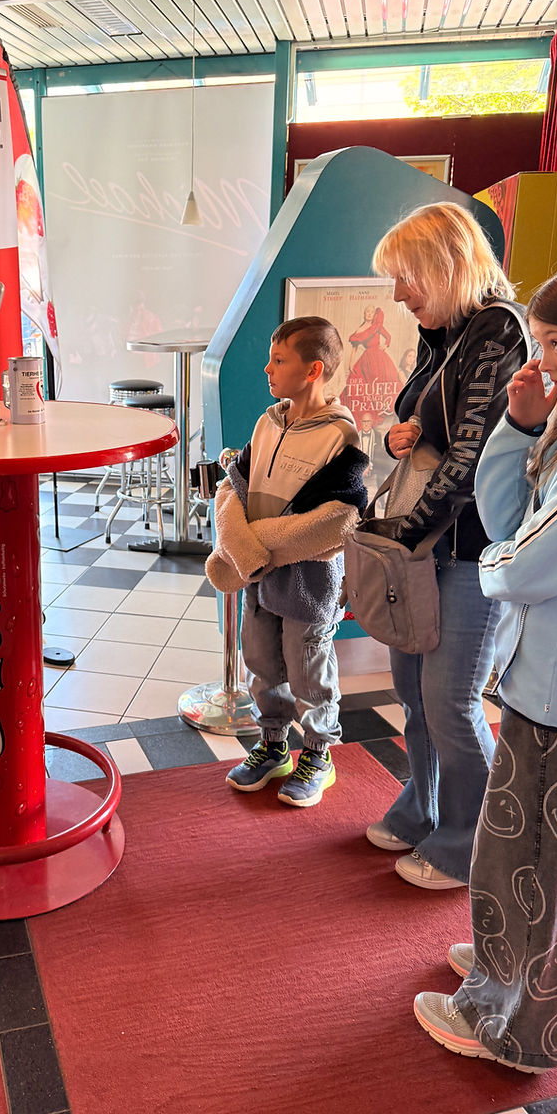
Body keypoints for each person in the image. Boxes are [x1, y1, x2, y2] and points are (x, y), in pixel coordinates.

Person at [414, 255, 557, 1072]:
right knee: (522, 854)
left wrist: (497, 563)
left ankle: (516, 1021)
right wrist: (519, 424)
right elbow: (508, 515)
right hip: (543, 680)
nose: (546, 361)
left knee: (532, 863)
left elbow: (521, 562)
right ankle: (504, 974)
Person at [367, 202, 530, 888]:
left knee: (451, 696)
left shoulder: (498, 332)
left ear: (444, 267)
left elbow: (471, 458)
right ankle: (424, 804)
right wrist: (396, 435)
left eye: (407, 280)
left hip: (471, 546)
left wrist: (398, 537)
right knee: (412, 685)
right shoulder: (451, 329)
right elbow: (417, 417)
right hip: (432, 543)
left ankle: (472, 841)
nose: (399, 296)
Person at [206, 316, 368, 806]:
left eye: (279, 361)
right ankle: (273, 745)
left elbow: (338, 518)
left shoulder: (340, 436)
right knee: (261, 660)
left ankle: (318, 753)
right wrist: (246, 548)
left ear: (314, 369)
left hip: (308, 581)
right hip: (259, 577)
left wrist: (258, 544)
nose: (267, 368)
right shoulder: (267, 422)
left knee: (307, 667)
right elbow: (236, 484)